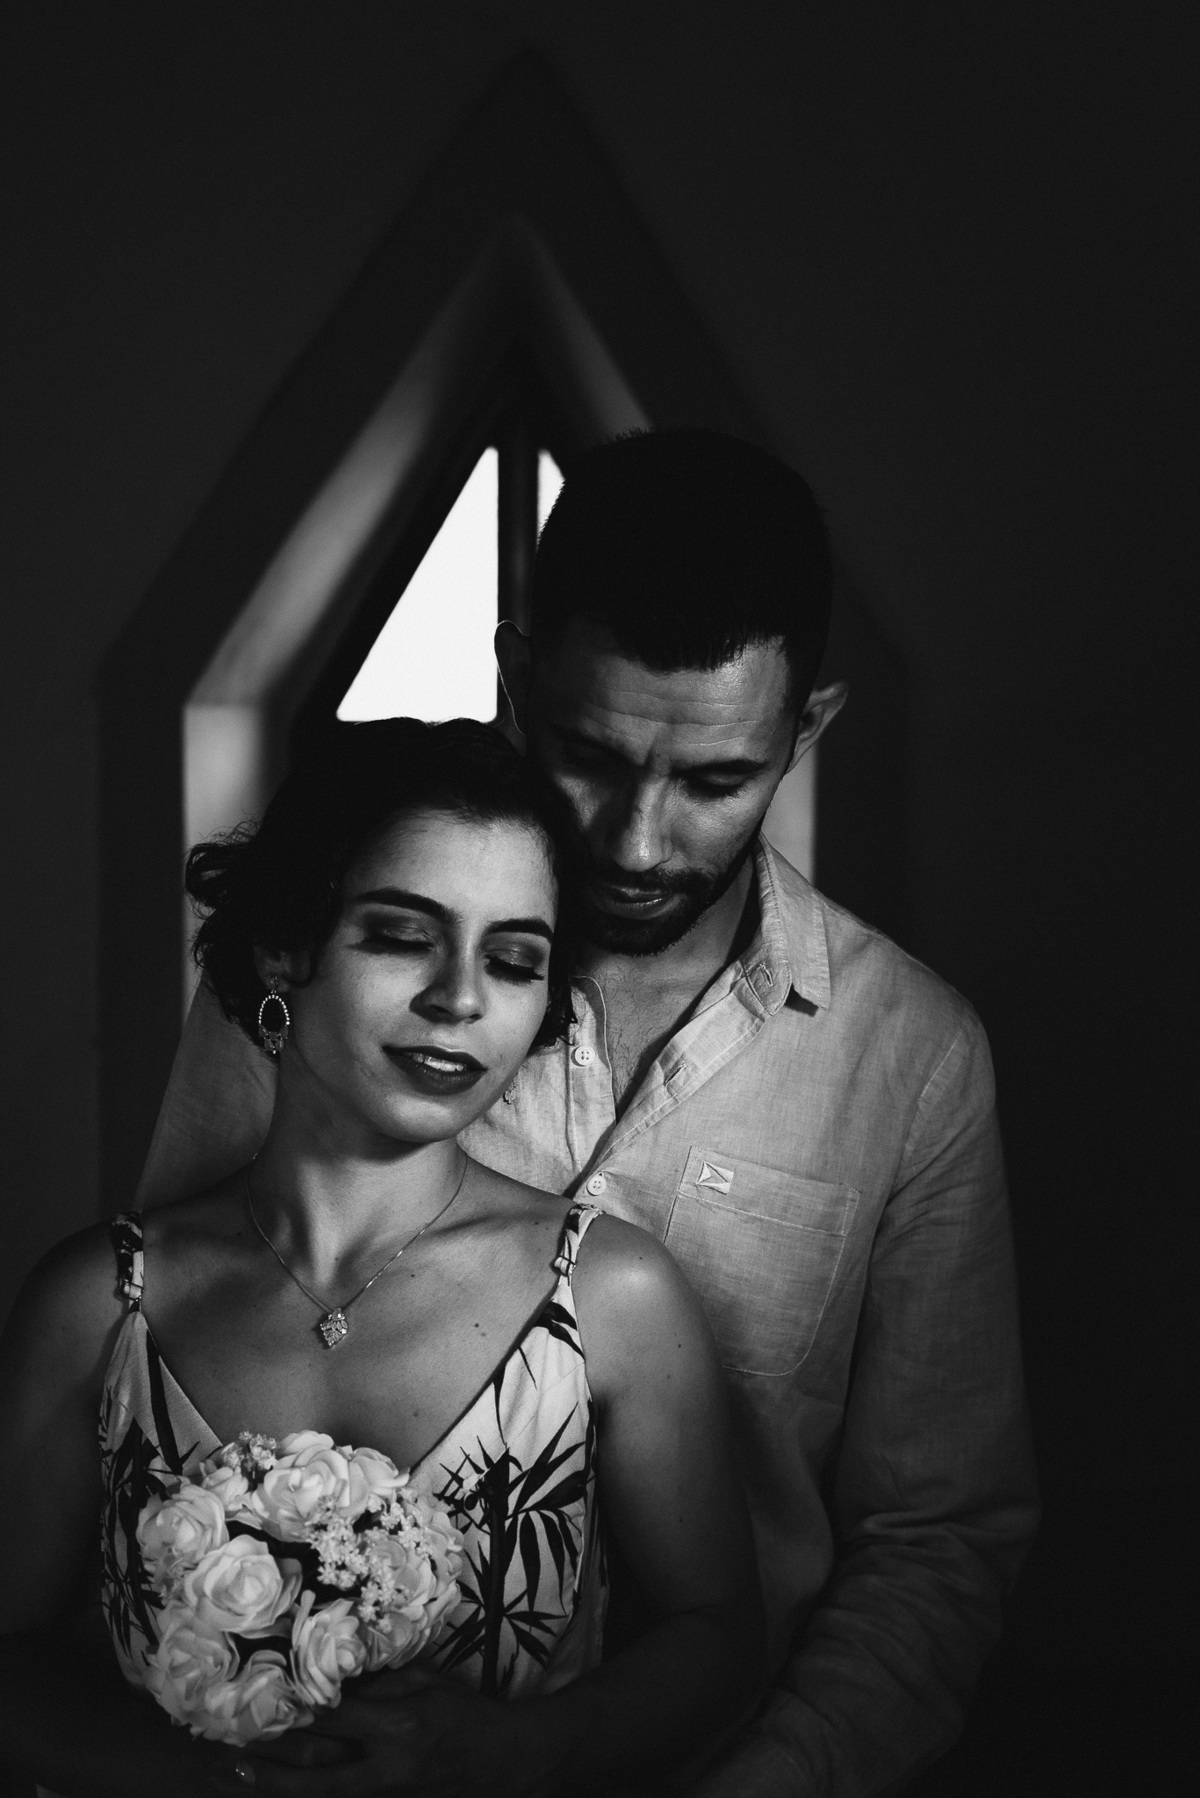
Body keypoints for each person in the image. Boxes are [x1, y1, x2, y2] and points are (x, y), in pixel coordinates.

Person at [133, 429, 1038, 1796]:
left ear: (807, 730)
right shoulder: (314, 985)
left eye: (716, 780)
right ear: (515, 675)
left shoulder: (911, 1058)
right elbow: (164, 1368)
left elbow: (935, 1537)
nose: (634, 838)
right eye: (588, 755)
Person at [0, 719, 765, 1798]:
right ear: (284, 948)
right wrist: (210, 1780)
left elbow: (721, 1635)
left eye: (514, 960)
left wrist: (517, 1751)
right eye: (404, 937)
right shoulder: (100, 1302)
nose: (461, 997)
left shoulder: (608, 1297)